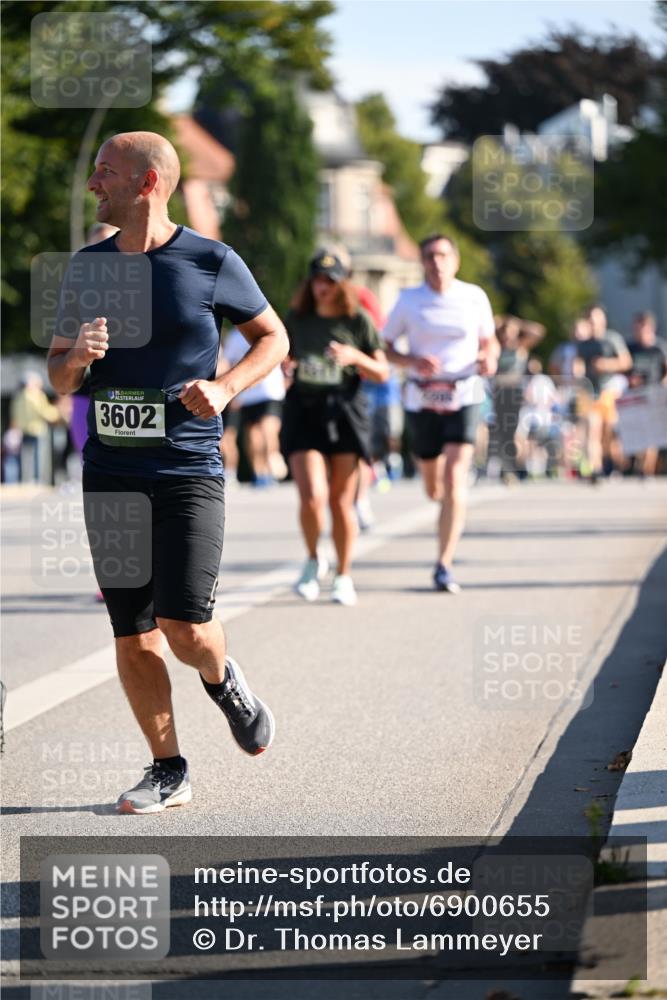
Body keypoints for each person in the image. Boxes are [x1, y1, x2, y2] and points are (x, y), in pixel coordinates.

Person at [47, 131, 289, 814]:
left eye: (106, 171)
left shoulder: (211, 260)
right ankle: (168, 768)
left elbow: (273, 338)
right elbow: (59, 375)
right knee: (132, 630)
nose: (93, 183)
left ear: (147, 182)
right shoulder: (87, 268)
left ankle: (222, 678)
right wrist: (77, 358)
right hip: (111, 472)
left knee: (186, 627)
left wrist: (226, 387)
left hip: (187, 469)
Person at [383, 234, 499, 593]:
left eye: (443, 255)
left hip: (464, 391)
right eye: (430, 256)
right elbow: (385, 347)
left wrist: (489, 357)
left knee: (454, 478)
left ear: (456, 260)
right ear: (422, 262)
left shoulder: (474, 296)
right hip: (422, 396)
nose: (437, 262)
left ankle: (444, 563)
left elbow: (489, 341)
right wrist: (411, 360)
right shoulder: (408, 300)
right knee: (434, 486)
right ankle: (439, 497)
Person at [281, 251, 389, 606]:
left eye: (330, 281)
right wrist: (284, 365)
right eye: (317, 280)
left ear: (343, 284)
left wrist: (354, 357)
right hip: (305, 409)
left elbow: (382, 371)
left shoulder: (357, 320)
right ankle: (314, 559)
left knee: (341, 501)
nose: (323, 287)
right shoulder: (297, 319)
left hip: (345, 410)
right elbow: (280, 352)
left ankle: (343, 575)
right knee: (312, 495)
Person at [221, 327, 287, 486]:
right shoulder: (234, 337)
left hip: (269, 391)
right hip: (247, 393)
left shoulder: (267, 326)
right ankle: (259, 473)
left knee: (268, 429)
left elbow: (284, 352)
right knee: (252, 435)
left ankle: (272, 457)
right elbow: (227, 363)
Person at [488, 315, 545, 482]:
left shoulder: (521, 347)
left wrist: (518, 324)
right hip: (499, 394)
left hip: (516, 395)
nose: (508, 334)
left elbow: (539, 331)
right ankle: (506, 468)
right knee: (501, 432)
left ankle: (517, 466)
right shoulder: (496, 347)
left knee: (515, 432)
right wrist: (498, 322)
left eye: (511, 330)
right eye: (506, 330)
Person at [9, 371, 61, 482]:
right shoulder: (36, 395)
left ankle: (25, 480)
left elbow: (14, 415)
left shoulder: (18, 397)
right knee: (39, 459)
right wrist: (58, 412)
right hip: (38, 431)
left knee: (25, 458)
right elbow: (44, 412)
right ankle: (37, 481)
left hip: (24, 431)